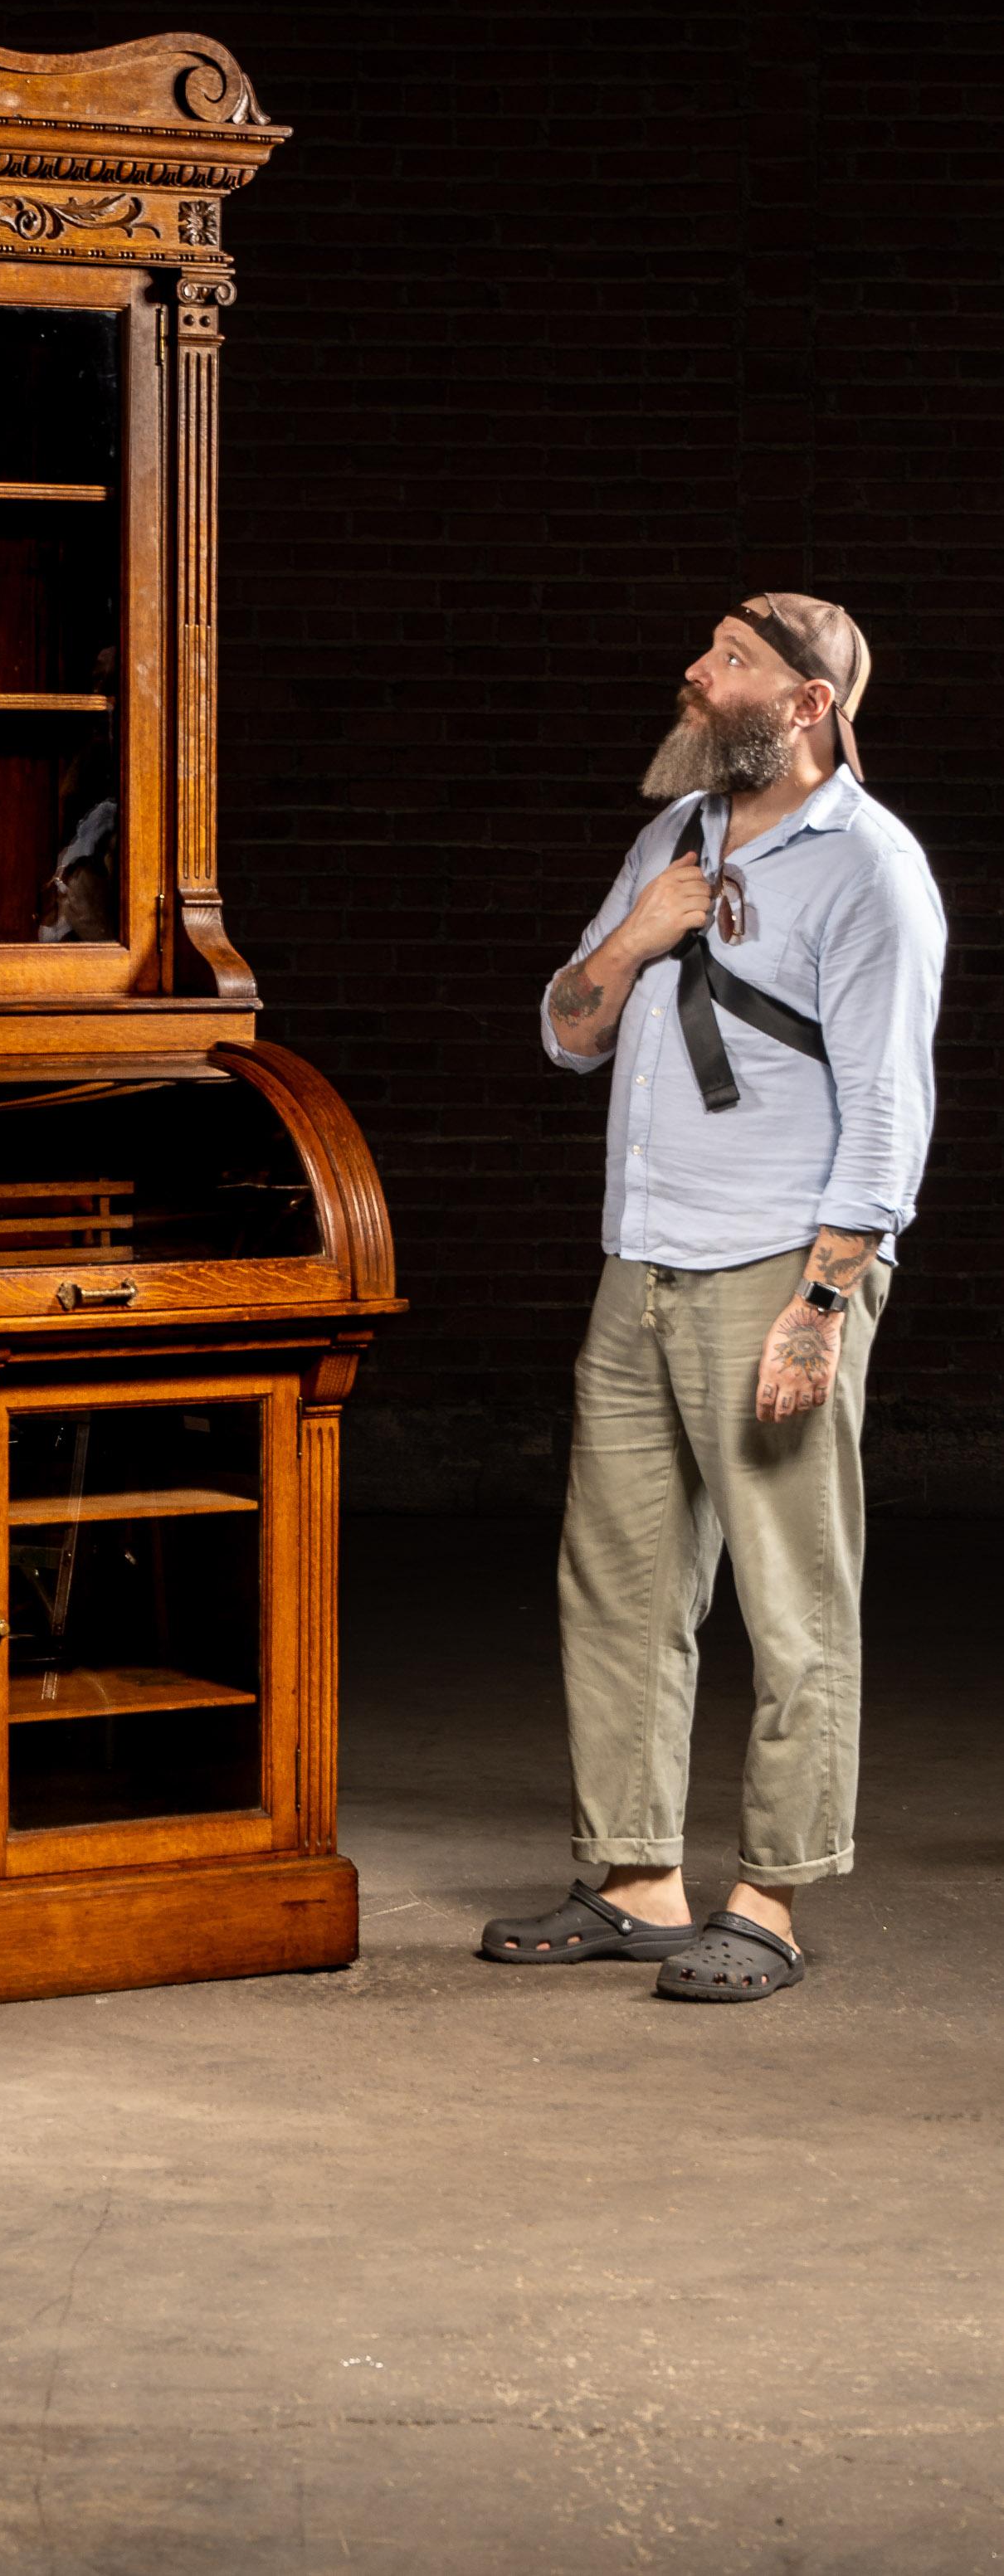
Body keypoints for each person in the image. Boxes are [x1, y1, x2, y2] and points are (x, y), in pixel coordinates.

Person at [481, 595, 945, 2004]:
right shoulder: (668, 841)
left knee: (794, 1597)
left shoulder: (872, 868)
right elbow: (567, 1033)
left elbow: (885, 1108)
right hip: (644, 1263)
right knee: (618, 1584)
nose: (696, 671)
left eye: (731, 660)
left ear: (805, 705)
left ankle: (774, 1898)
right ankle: (637, 1880)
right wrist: (637, 936)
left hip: (774, 1269)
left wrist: (823, 1301)